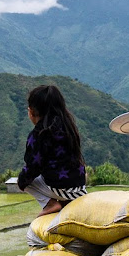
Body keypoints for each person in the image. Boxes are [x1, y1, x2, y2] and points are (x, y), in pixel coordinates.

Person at [17, 85, 87, 217]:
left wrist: (21, 182)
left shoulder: (38, 134)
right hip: (79, 186)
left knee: (25, 181)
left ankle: (50, 204)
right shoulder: (68, 126)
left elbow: (33, 166)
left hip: (60, 189)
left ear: (31, 112)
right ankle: (65, 202)